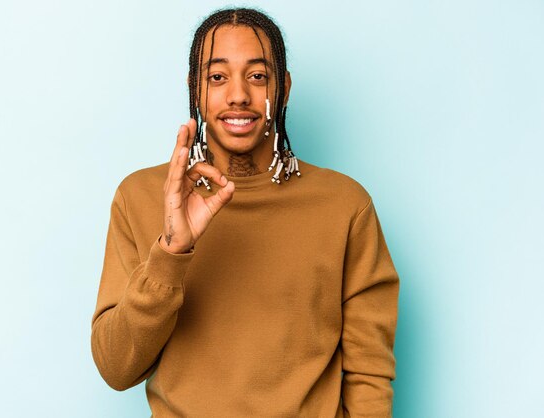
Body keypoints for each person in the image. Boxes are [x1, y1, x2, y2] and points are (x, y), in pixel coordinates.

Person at [91, 7, 399, 417]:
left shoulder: (345, 206)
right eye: (217, 77)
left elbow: (369, 372)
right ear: (195, 88)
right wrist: (171, 251)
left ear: (283, 88)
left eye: (258, 76)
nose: (238, 94)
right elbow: (116, 368)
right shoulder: (142, 196)